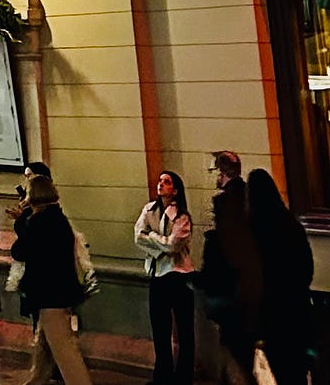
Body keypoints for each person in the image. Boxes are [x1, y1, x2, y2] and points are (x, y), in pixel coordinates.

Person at [12, 174, 92, 385]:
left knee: (65, 350)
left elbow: (19, 251)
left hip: (49, 295)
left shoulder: (39, 222)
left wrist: (22, 218)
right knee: (44, 349)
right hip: (60, 292)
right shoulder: (58, 219)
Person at [246, 167, 312, 385]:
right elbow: (306, 266)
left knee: (278, 371)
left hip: (271, 313)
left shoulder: (255, 231)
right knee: (296, 371)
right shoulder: (290, 224)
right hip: (297, 308)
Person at [200, 157, 261, 385]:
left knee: (236, 354)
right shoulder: (249, 201)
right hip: (249, 294)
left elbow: (221, 260)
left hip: (231, 294)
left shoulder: (227, 206)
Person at [134, 171, 193, 385]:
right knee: (160, 330)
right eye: (159, 181)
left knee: (185, 331)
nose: (161, 185)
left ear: (175, 190)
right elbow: (137, 236)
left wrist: (152, 238)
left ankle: (184, 377)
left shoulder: (181, 216)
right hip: (157, 274)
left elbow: (173, 245)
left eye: (166, 182)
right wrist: (157, 242)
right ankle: (163, 375)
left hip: (178, 275)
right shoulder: (149, 210)